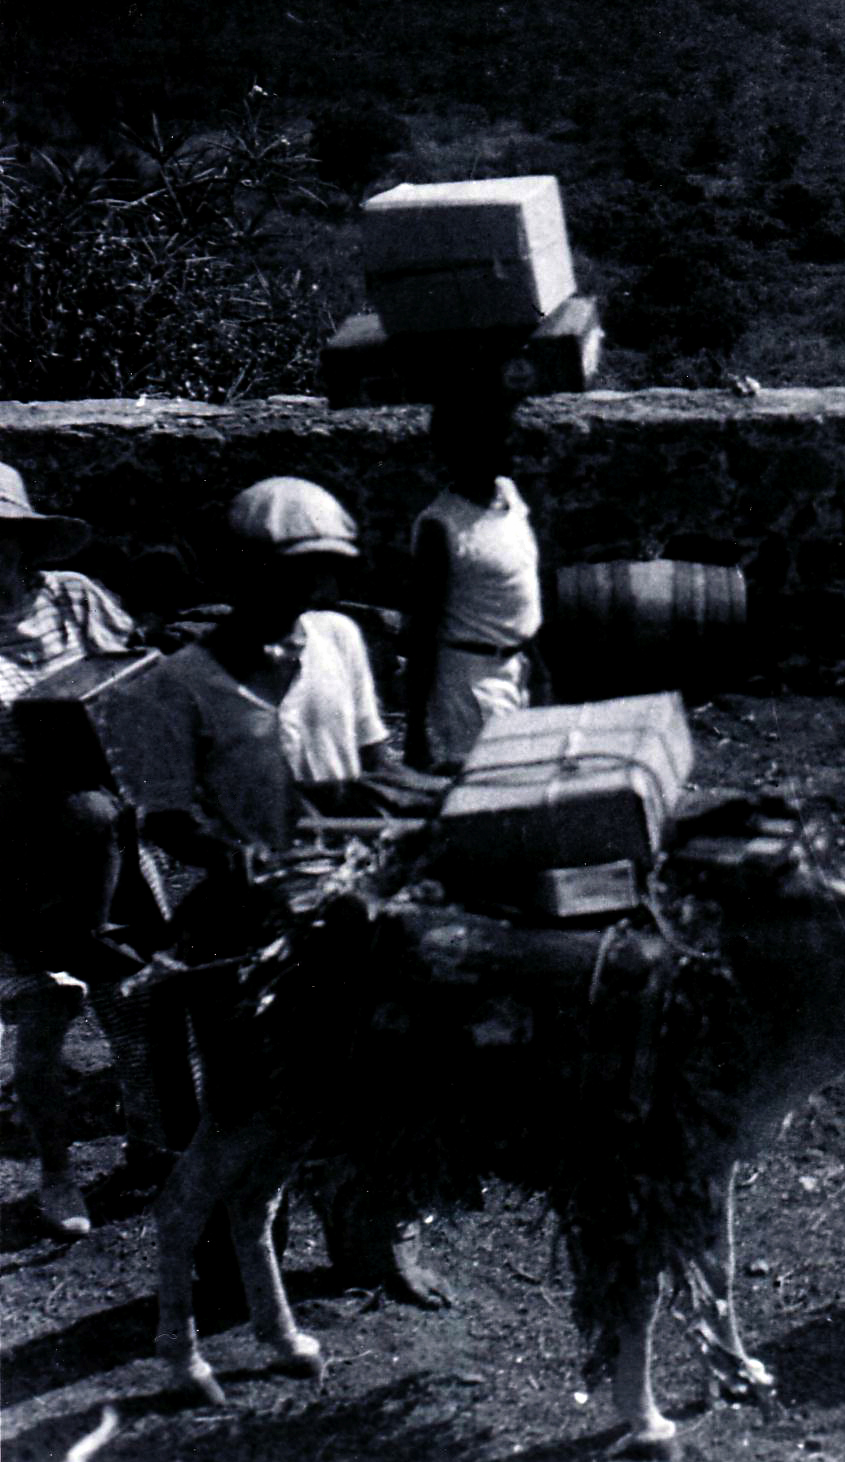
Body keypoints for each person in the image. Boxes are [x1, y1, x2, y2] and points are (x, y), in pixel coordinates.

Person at [110, 475, 449, 1304]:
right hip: (251, 916)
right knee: (254, 1099)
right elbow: (164, 817)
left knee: (389, 1071)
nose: (314, 591)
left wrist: (447, 797)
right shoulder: (177, 682)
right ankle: (235, 1261)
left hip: (352, 891)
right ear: (239, 572)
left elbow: (374, 763)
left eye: (324, 572)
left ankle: (372, 1230)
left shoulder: (337, 637)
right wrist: (238, 853)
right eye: (291, 573)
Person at [0, 462, 146, 1238]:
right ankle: (58, 1174)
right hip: (15, 853)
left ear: (26, 544)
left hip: (107, 833)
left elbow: (136, 680)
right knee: (44, 1017)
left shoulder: (76, 597)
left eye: (4, 539)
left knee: (137, 1000)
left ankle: (154, 1147)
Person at [405, 398, 543, 773]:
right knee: (487, 792)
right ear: (463, 450)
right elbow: (421, 628)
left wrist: (537, 666)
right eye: (499, 439)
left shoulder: (510, 498)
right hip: (471, 682)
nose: (512, 446)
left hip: (518, 668)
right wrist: (415, 732)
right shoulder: (441, 526)